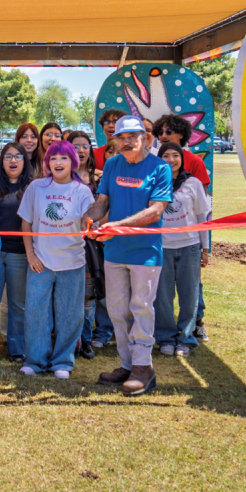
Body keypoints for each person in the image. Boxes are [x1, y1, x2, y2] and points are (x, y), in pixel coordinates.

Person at [84, 116, 172, 396]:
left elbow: (156, 211)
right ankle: (127, 364)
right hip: (114, 251)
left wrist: (117, 226)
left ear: (145, 138)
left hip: (145, 253)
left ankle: (144, 367)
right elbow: (102, 202)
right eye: (121, 138)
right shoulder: (112, 164)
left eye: (133, 136)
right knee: (117, 311)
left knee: (141, 308)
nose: (127, 142)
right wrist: (89, 218)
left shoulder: (160, 168)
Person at [19, 141, 95, 379]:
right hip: (40, 262)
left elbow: (89, 221)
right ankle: (36, 360)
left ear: (73, 162)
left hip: (72, 262)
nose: (58, 163)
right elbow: (26, 222)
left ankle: (63, 361)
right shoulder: (36, 187)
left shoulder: (82, 191)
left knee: (70, 314)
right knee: (35, 312)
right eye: (53, 158)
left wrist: (93, 226)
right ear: (47, 162)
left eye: (63, 158)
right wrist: (30, 254)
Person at [153, 112, 212, 342]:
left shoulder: (194, 175)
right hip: (162, 245)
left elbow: (201, 214)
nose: (164, 135)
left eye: (169, 131)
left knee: (191, 292)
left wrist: (204, 247)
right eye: (161, 133)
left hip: (189, 244)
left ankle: (189, 333)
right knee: (163, 295)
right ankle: (166, 336)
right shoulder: (154, 178)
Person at [67, 130, 107, 358]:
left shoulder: (99, 178)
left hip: (91, 245)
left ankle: (86, 340)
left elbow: (107, 208)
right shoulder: (59, 175)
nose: (80, 150)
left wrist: (96, 227)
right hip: (62, 243)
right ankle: (68, 340)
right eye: (75, 146)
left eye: (85, 146)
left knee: (87, 295)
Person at [0, 142, 33, 363]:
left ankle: (17, 348)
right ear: (2, 161)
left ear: (25, 161)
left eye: (18, 156)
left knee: (18, 304)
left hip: (19, 254)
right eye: (8, 156)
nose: (13, 161)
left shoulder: (33, 188)